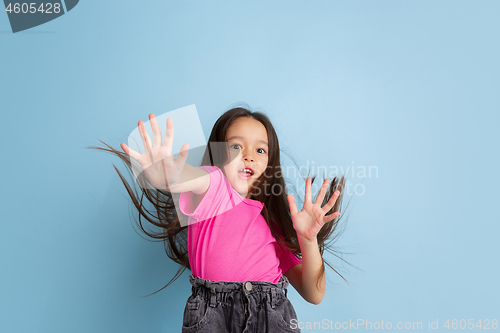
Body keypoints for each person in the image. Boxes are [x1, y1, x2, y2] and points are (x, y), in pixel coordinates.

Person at [91, 106, 349, 333]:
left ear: (269, 163)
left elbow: (314, 294)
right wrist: (167, 177)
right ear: (217, 155)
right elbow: (192, 177)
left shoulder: (274, 223)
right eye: (236, 146)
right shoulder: (212, 188)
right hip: (212, 316)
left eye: (260, 149)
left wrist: (308, 239)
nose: (248, 155)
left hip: (271, 316)